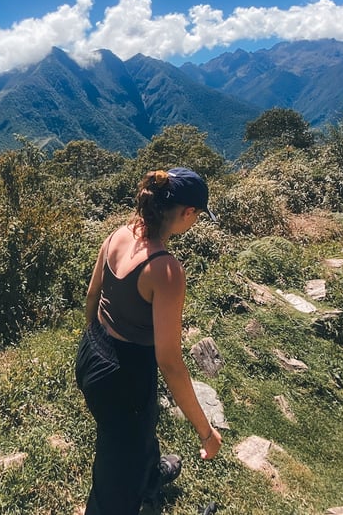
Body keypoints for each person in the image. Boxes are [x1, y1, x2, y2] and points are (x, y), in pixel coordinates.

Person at [75, 167, 223, 514]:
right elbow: (170, 361)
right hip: (125, 379)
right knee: (114, 482)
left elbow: (92, 295)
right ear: (187, 213)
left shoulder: (118, 235)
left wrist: (95, 344)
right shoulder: (166, 270)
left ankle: (151, 473)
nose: (196, 222)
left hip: (92, 355)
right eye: (198, 216)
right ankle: (127, 492)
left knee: (137, 432)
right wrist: (205, 431)